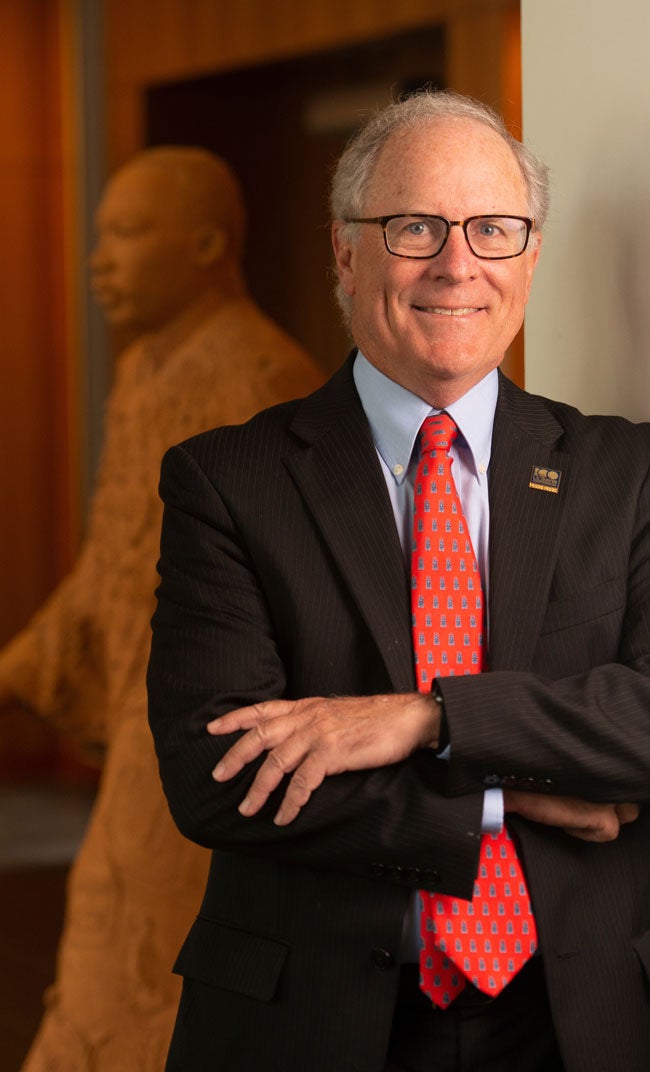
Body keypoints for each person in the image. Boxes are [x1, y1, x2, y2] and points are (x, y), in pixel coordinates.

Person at [147, 91, 650, 1072]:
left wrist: (427, 721)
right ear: (345, 251)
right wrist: (507, 802)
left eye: (492, 230)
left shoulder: (624, 475)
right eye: (413, 226)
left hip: (580, 1021)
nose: (455, 264)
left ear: (529, 256)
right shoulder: (227, 481)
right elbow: (218, 779)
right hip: (312, 1022)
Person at [0, 146, 322, 1071]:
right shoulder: (145, 367)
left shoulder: (256, 374)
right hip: (150, 727)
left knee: (151, 961)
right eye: (98, 236)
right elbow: (117, 561)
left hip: (208, 735)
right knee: (109, 942)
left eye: (129, 234)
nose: (100, 260)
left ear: (208, 244)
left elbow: (289, 587)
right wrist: (25, 669)